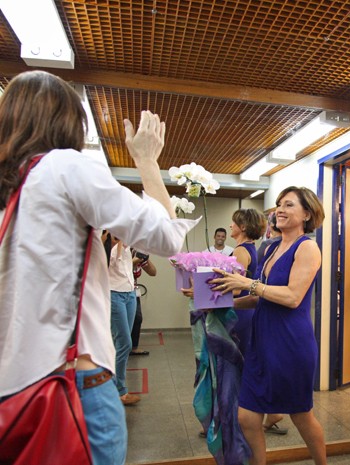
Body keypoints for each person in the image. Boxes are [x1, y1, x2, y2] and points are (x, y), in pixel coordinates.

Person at [0, 70, 198, 465]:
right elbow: (164, 237)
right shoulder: (64, 166)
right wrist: (146, 161)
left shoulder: (10, 189)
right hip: (71, 382)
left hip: (13, 387)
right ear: (67, 122)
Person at [212, 186, 327, 465]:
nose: (280, 210)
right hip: (261, 342)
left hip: (290, 344)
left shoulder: (308, 247)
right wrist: (218, 303)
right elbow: (259, 298)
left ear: (307, 214)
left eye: (288, 205)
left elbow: (291, 297)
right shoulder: (271, 247)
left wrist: (248, 283)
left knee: (300, 414)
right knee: (248, 416)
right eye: (278, 205)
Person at [228, 208, 267, 356]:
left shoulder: (240, 251)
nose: (231, 225)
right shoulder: (248, 248)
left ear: (243, 226)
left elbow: (236, 288)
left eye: (234, 222)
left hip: (239, 311)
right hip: (244, 310)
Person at [109, 237, 141, 405]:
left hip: (129, 294)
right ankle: (119, 390)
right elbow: (115, 259)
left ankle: (116, 387)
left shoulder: (128, 248)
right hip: (114, 294)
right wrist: (120, 242)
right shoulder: (111, 248)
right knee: (124, 343)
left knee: (122, 344)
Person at [130, 250, 156, 356]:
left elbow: (153, 272)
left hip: (133, 290)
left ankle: (133, 347)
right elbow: (120, 269)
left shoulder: (137, 253)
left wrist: (146, 258)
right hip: (118, 290)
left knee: (137, 318)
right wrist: (133, 261)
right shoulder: (118, 252)